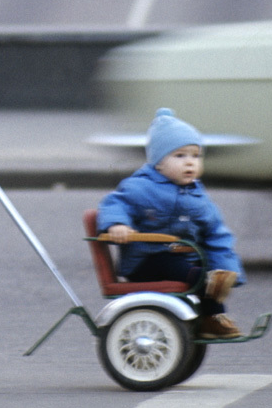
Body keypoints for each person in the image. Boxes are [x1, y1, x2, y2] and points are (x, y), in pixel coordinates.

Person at [97, 108, 245, 339]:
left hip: (182, 258)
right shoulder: (141, 187)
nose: (190, 163)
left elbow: (216, 233)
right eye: (180, 156)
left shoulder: (198, 197)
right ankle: (210, 307)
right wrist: (117, 224)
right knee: (195, 275)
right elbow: (115, 203)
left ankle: (212, 317)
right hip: (146, 261)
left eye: (195, 156)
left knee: (207, 272)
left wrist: (227, 268)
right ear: (158, 163)